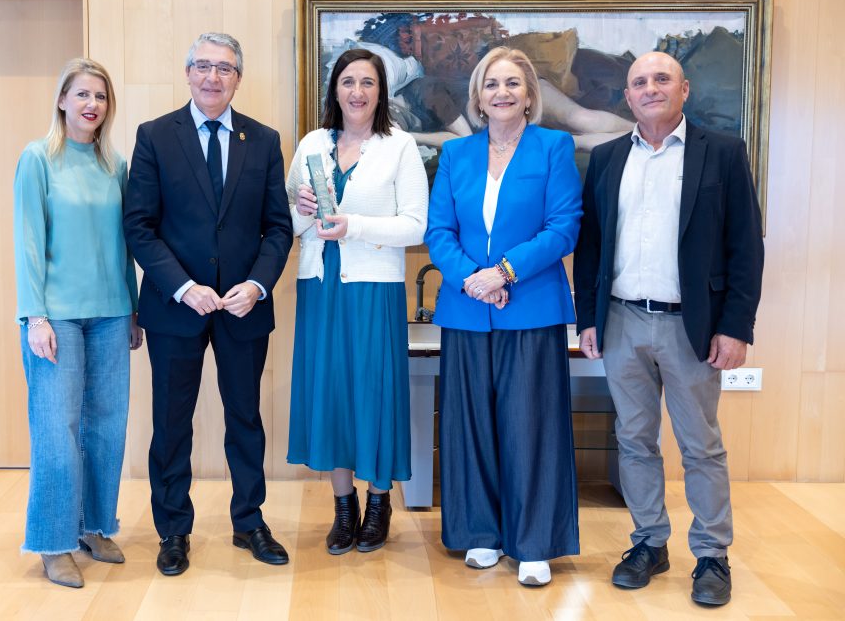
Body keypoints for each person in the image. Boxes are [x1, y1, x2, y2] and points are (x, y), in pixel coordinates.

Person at [573, 51, 763, 606]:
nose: (650, 88)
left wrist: (736, 327)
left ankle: (711, 554)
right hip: (623, 321)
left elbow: (746, 247)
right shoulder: (607, 159)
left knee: (700, 446)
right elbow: (591, 247)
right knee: (633, 441)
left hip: (692, 328)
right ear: (627, 98)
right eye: (639, 82)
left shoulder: (722, 154)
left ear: (684, 90)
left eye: (662, 79)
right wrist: (588, 317)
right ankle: (649, 543)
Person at [123, 33, 293, 576]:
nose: (212, 77)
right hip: (177, 308)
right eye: (203, 66)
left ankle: (250, 521)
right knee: (171, 424)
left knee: (246, 417)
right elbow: (139, 227)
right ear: (187, 73)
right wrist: (182, 286)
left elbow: (278, 227)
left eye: (224, 68)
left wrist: (258, 285)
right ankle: (173, 530)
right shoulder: (154, 136)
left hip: (244, 308)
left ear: (238, 78)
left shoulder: (263, 140)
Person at [425, 46, 582, 586]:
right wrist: (474, 278)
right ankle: (481, 533)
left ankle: (533, 542)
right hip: (467, 308)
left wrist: (505, 273)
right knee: (470, 425)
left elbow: (563, 228)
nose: (502, 93)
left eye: (513, 83)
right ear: (478, 96)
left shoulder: (554, 147)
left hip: (531, 308)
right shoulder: (456, 155)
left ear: (530, 94)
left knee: (530, 425)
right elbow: (439, 232)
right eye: (492, 84)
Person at [287, 48, 428, 554]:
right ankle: (343, 508)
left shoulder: (400, 146)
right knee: (333, 393)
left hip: (374, 289)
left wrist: (356, 226)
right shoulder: (310, 145)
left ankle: (379, 501)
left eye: (368, 82)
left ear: (381, 91)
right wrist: (302, 210)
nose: (357, 92)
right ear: (335, 89)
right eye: (348, 82)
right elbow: (293, 222)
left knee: (373, 391)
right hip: (320, 287)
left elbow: (415, 225)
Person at [13, 57, 142, 588]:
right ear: (62, 99)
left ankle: (94, 526)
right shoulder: (38, 158)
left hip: (112, 312)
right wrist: (34, 315)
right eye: (83, 94)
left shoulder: (116, 164)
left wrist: (133, 309)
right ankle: (53, 541)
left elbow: (125, 245)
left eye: (102, 97)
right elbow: (27, 241)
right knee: (56, 430)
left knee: (108, 426)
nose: (92, 105)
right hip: (56, 317)